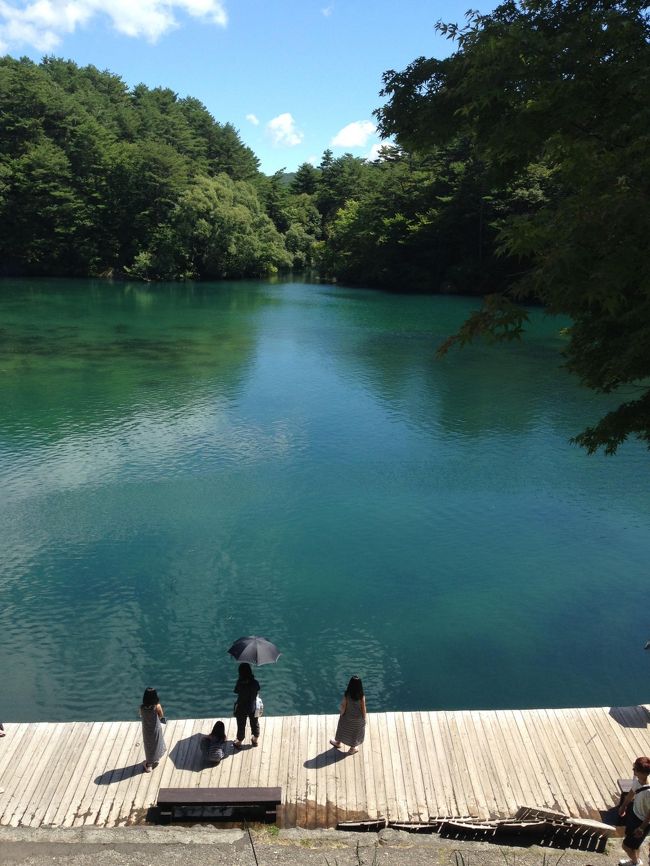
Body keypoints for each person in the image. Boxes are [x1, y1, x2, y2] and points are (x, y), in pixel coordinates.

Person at [619, 756, 650, 866]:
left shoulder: (649, 791)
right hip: (634, 815)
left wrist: (641, 828)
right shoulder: (638, 781)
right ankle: (635, 860)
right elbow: (631, 794)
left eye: (635, 769)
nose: (633, 771)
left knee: (625, 846)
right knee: (634, 845)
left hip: (642, 822)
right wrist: (623, 807)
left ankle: (636, 863)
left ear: (643, 773)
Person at [329, 675, 367, 754]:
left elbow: (343, 705)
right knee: (355, 732)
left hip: (347, 717)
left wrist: (342, 714)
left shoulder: (347, 694)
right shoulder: (361, 696)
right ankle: (352, 749)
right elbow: (363, 708)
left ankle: (338, 742)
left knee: (342, 727)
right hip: (358, 719)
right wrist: (364, 718)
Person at [233, 662, 260, 748]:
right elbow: (258, 689)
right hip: (252, 706)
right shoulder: (255, 682)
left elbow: (236, 691)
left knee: (241, 724)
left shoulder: (240, 683)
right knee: (254, 722)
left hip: (241, 707)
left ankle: (239, 741)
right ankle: (255, 740)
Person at [139, 687, 166, 773]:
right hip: (155, 728)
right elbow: (161, 715)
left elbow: (141, 715)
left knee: (148, 745)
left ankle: (149, 764)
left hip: (146, 729)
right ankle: (152, 762)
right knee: (157, 742)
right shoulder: (157, 706)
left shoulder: (142, 707)